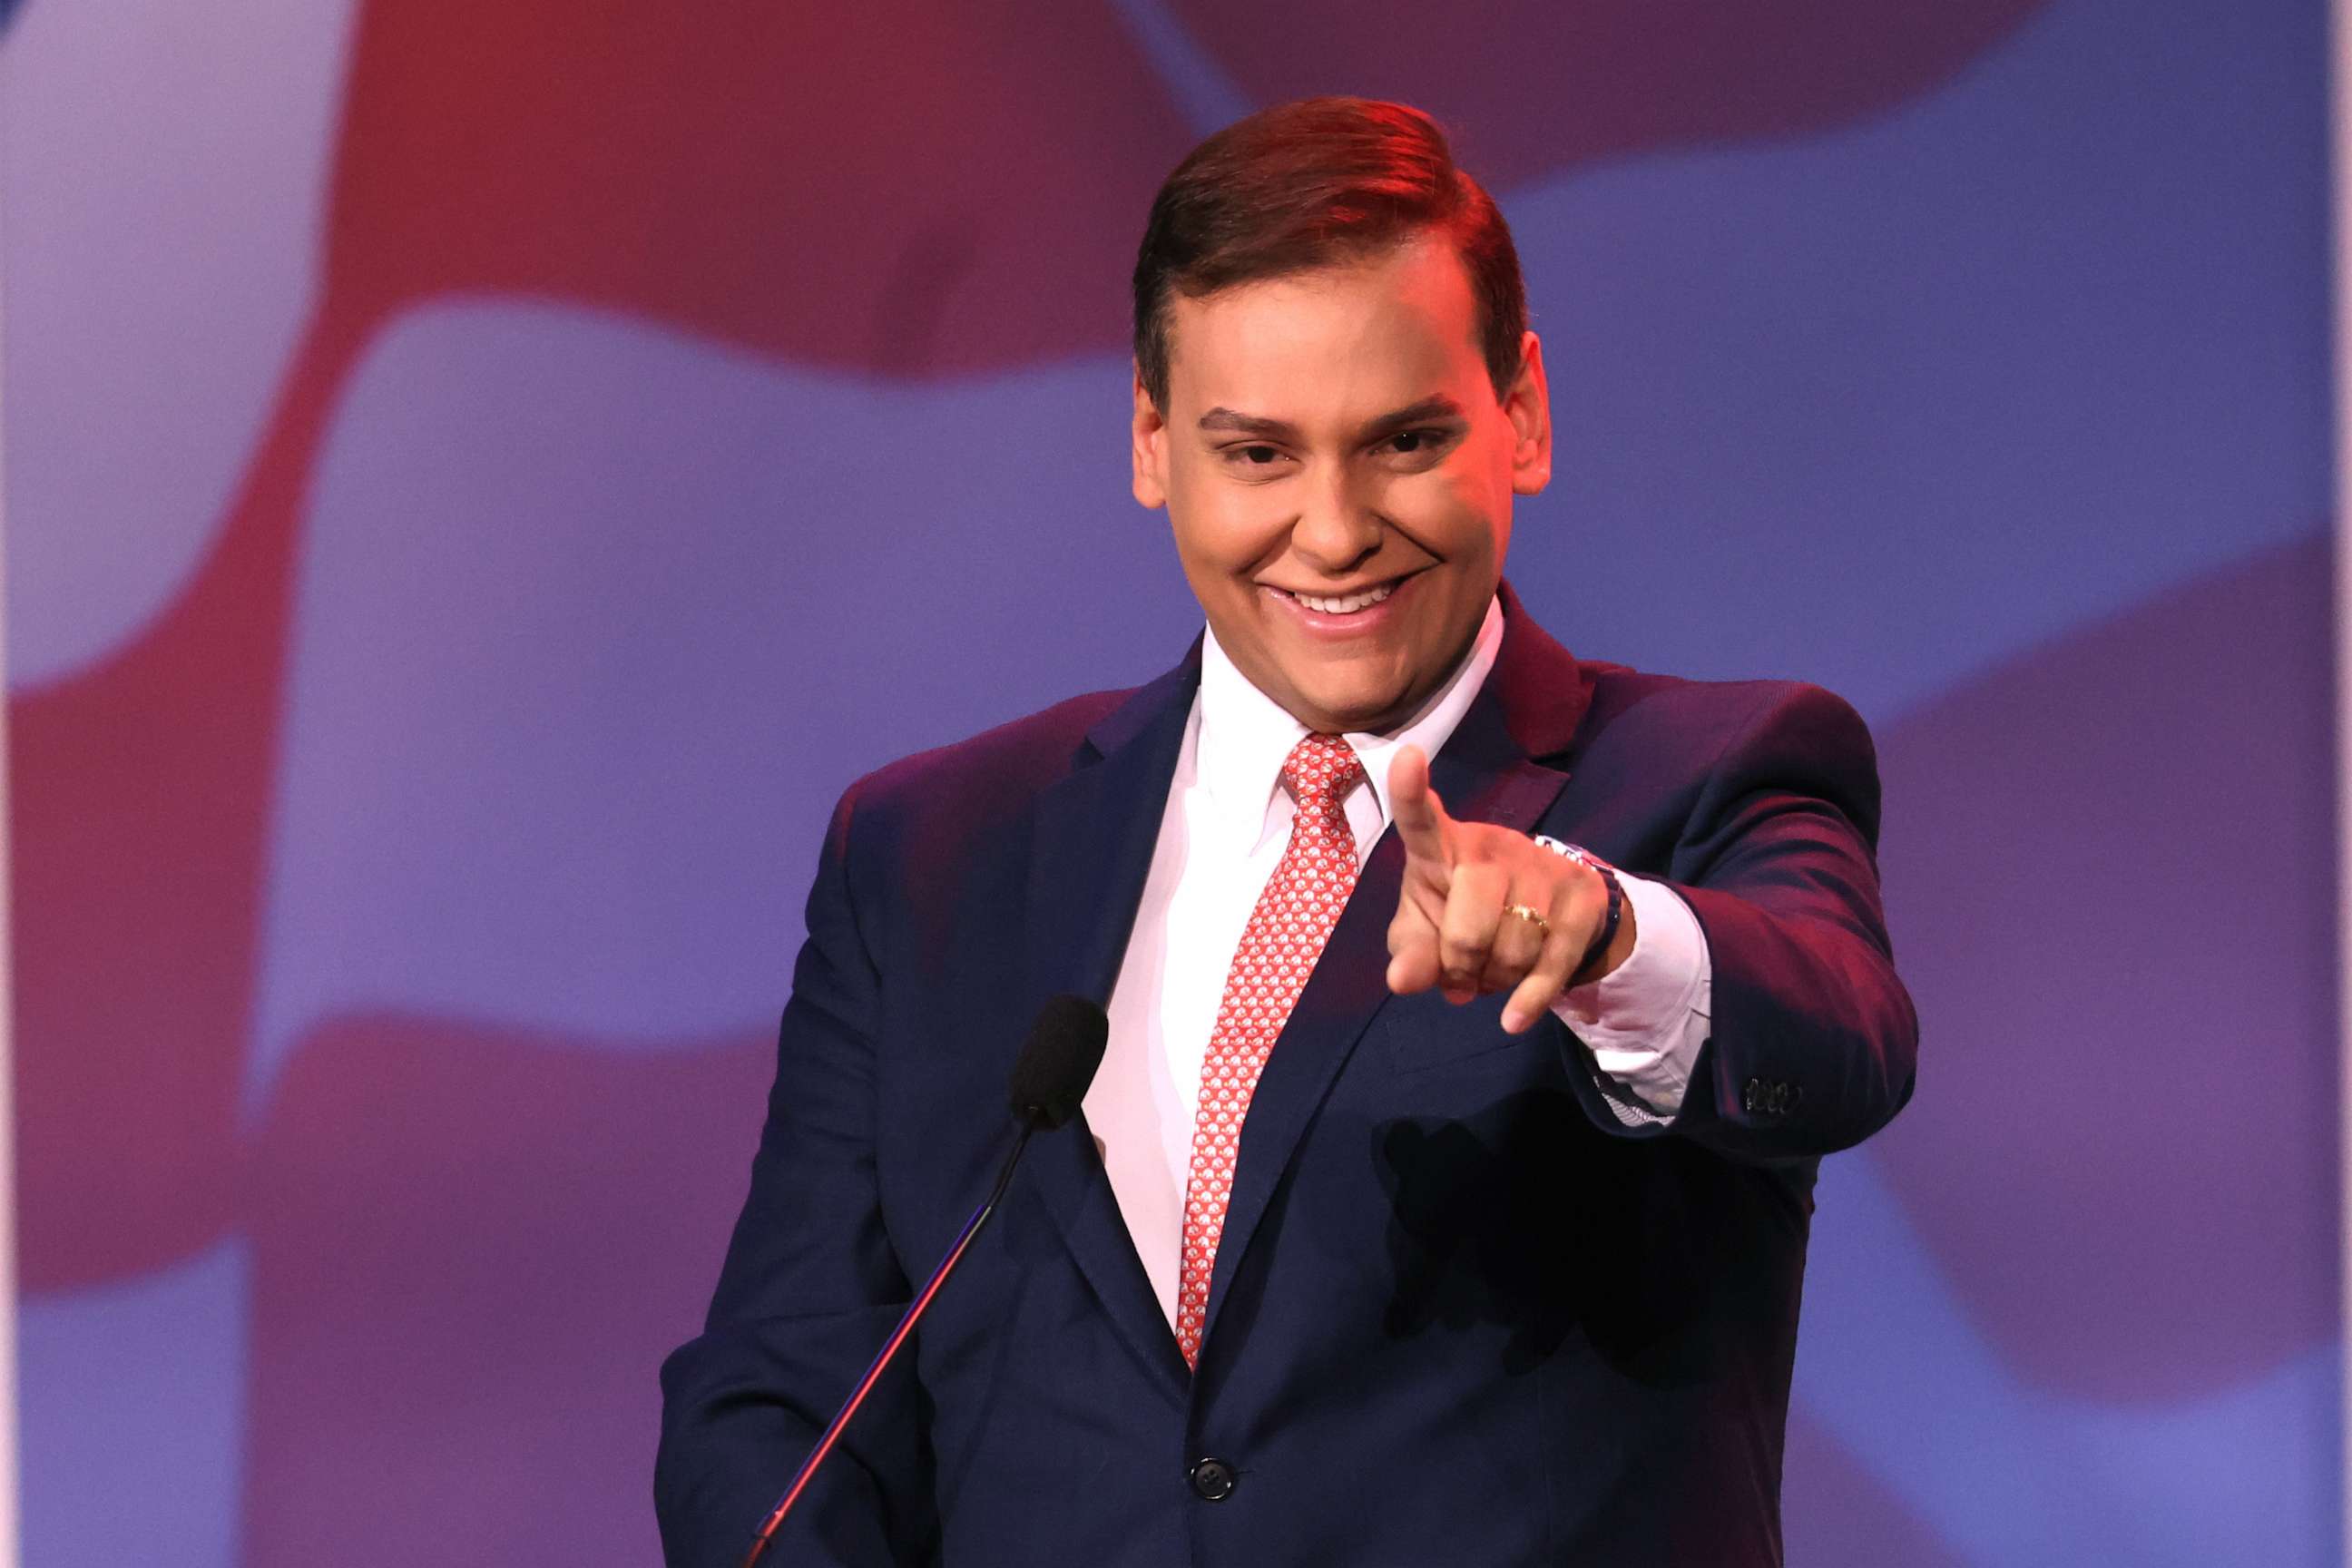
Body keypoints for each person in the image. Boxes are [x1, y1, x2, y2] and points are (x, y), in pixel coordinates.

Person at [656, 95, 1916, 1567]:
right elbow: (788, 1391)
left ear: (1520, 412)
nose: (1332, 531)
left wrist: (1601, 933)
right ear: (1150, 438)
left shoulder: (1709, 773)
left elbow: (1836, 1034)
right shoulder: (931, 853)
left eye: (1403, 440)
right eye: (1257, 453)